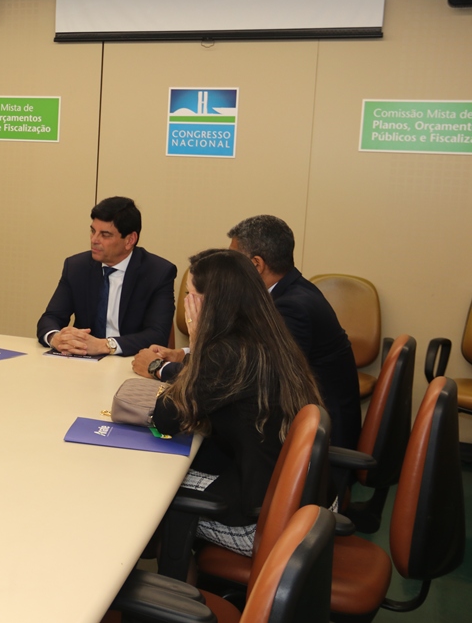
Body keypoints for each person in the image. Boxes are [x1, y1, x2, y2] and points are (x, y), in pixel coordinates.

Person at [151, 248, 323, 580]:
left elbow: (167, 417)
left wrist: (198, 341)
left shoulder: (226, 355)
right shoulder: (268, 336)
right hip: (303, 499)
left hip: (269, 520)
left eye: (190, 296)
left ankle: (172, 600)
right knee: (182, 475)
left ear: (210, 304)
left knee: (159, 498)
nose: (185, 305)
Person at [133, 214, 361, 449]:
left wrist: (160, 366)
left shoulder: (291, 309)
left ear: (256, 265)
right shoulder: (284, 295)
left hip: (312, 443)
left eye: (234, 259)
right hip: (275, 437)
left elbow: (229, 374)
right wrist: (183, 354)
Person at [36, 196, 176, 357]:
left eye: (105, 234)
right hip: (82, 360)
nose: (94, 240)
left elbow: (157, 335)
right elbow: (50, 318)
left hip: (130, 360)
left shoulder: (158, 273)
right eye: (93, 231)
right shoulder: (76, 267)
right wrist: (56, 338)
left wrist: (105, 345)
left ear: (130, 240)